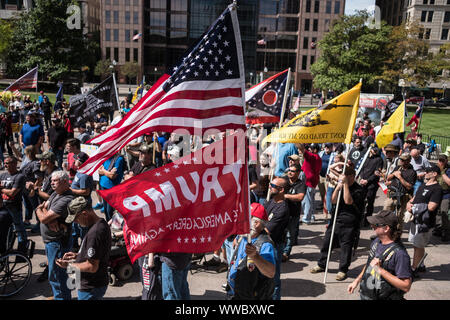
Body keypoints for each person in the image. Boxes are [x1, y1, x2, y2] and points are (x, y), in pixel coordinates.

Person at [310, 167, 365, 281]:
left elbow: (348, 201)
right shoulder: (340, 185)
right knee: (327, 242)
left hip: (350, 221)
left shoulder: (358, 189)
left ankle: (343, 270)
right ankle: (321, 264)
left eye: (345, 176)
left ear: (351, 176)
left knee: (346, 247)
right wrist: (338, 188)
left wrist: (345, 185)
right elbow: (333, 201)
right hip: (336, 219)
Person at [347, 210, 412, 300]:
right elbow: (370, 263)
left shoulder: (400, 254)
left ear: (386, 229)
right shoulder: (377, 242)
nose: (371, 226)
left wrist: (380, 270)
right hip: (367, 294)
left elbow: (406, 286)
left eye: (376, 225)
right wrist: (357, 280)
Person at [56, 197, 111, 300]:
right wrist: (78, 255)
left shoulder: (95, 233)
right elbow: (97, 253)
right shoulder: (100, 224)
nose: (75, 222)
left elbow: (92, 266)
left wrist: (68, 265)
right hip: (92, 284)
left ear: (84, 213)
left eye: (76, 218)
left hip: (91, 286)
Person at [35, 171, 75, 300]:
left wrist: (42, 214)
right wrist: (47, 216)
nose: (51, 183)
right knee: (55, 275)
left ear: (64, 182)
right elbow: (43, 207)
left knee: (58, 275)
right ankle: (60, 296)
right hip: (51, 242)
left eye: (55, 181)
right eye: (51, 180)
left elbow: (43, 217)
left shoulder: (66, 198)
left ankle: (62, 298)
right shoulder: (55, 194)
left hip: (58, 243)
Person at [226, 203, 276, 300]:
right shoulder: (244, 236)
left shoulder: (265, 244)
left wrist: (255, 256)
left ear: (256, 223)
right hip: (234, 294)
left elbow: (270, 272)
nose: (240, 221)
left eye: (245, 219)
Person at [406, 163, 443, 278]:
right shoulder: (423, 185)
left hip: (425, 223)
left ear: (435, 174)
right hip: (416, 220)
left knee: (418, 245)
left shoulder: (437, 189)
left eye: (428, 171)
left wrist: (415, 207)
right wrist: (409, 204)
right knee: (418, 245)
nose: (425, 173)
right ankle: (420, 265)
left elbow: (432, 206)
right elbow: (414, 199)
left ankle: (413, 269)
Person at [264, 177, 290, 300]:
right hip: (265, 244)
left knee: (273, 279)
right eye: (270, 184)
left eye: (273, 185)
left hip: (274, 246)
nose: (270, 186)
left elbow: (266, 230)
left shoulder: (283, 209)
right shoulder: (270, 202)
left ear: (281, 190)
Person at [0, 156, 28, 254]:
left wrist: (2, 189)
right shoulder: (2, 175)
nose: (6, 165)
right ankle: (8, 248)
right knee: (7, 230)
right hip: (3, 208)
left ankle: (22, 250)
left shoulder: (19, 176)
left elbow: (13, 193)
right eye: (5, 163)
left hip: (14, 207)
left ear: (15, 164)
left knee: (19, 228)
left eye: (8, 163)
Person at [70, 152, 94, 252]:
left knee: (83, 227)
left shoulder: (84, 175)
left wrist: (70, 190)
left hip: (82, 205)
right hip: (77, 204)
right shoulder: (80, 171)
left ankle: (84, 247)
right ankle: (75, 245)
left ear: (81, 162)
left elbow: (86, 191)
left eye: (76, 159)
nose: (74, 160)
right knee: (75, 226)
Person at [384, 153, 417, 226]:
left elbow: (409, 186)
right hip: (392, 194)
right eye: (401, 159)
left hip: (403, 196)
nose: (401, 161)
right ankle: (386, 229)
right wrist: (393, 174)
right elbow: (388, 178)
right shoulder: (398, 168)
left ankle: (397, 234)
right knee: (386, 211)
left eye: (403, 160)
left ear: (408, 161)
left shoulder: (412, 172)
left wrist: (399, 177)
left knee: (399, 217)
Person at [282, 164, 306, 261]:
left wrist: (286, 196)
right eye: (289, 170)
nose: (290, 172)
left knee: (289, 234)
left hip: (293, 213)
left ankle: (285, 253)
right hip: (282, 212)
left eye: (292, 171)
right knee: (281, 232)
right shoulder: (284, 181)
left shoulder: (301, 184)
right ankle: (280, 251)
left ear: (298, 173)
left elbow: (300, 197)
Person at [358, 147, 384, 224]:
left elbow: (377, 173)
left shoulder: (379, 159)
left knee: (370, 202)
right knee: (360, 201)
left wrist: (367, 180)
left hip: (372, 184)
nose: (375, 151)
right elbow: (361, 168)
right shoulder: (365, 158)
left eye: (376, 150)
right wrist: (362, 179)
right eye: (373, 149)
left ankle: (367, 220)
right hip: (362, 182)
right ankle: (360, 217)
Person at [298, 143, 322, 224]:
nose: (309, 150)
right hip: (313, 179)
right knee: (311, 199)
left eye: (311, 148)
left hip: (308, 179)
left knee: (307, 199)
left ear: (315, 150)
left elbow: (302, 149)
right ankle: (311, 215)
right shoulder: (318, 157)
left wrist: (297, 141)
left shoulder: (312, 156)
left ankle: (306, 217)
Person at [98, 153, 125, 221]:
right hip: (103, 186)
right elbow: (99, 170)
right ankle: (108, 226)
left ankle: (111, 228)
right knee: (106, 211)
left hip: (111, 188)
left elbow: (112, 176)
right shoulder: (106, 156)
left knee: (110, 211)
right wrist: (108, 172)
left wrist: (103, 171)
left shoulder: (119, 159)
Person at [433, 154, 450, 242]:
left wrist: (442, 171)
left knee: (444, 212)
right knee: (437, 212)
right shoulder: (435, 168)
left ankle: (446, 232)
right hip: (437, 194)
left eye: (443, 161)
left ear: (446, 161)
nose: (441, 162)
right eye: (439, 160)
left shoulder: (448, 170)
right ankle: (438, 229)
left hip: (446, 194)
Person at [318, 143, 335, 214]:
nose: (327, 148)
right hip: (320, 176)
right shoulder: (321, 153)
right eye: (326, 147)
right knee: (322, 192)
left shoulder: (333, 155)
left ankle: (328, 207)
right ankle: (323, 204)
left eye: (328, 147)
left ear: (331, 147)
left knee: (328, 192)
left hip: (328, 176)